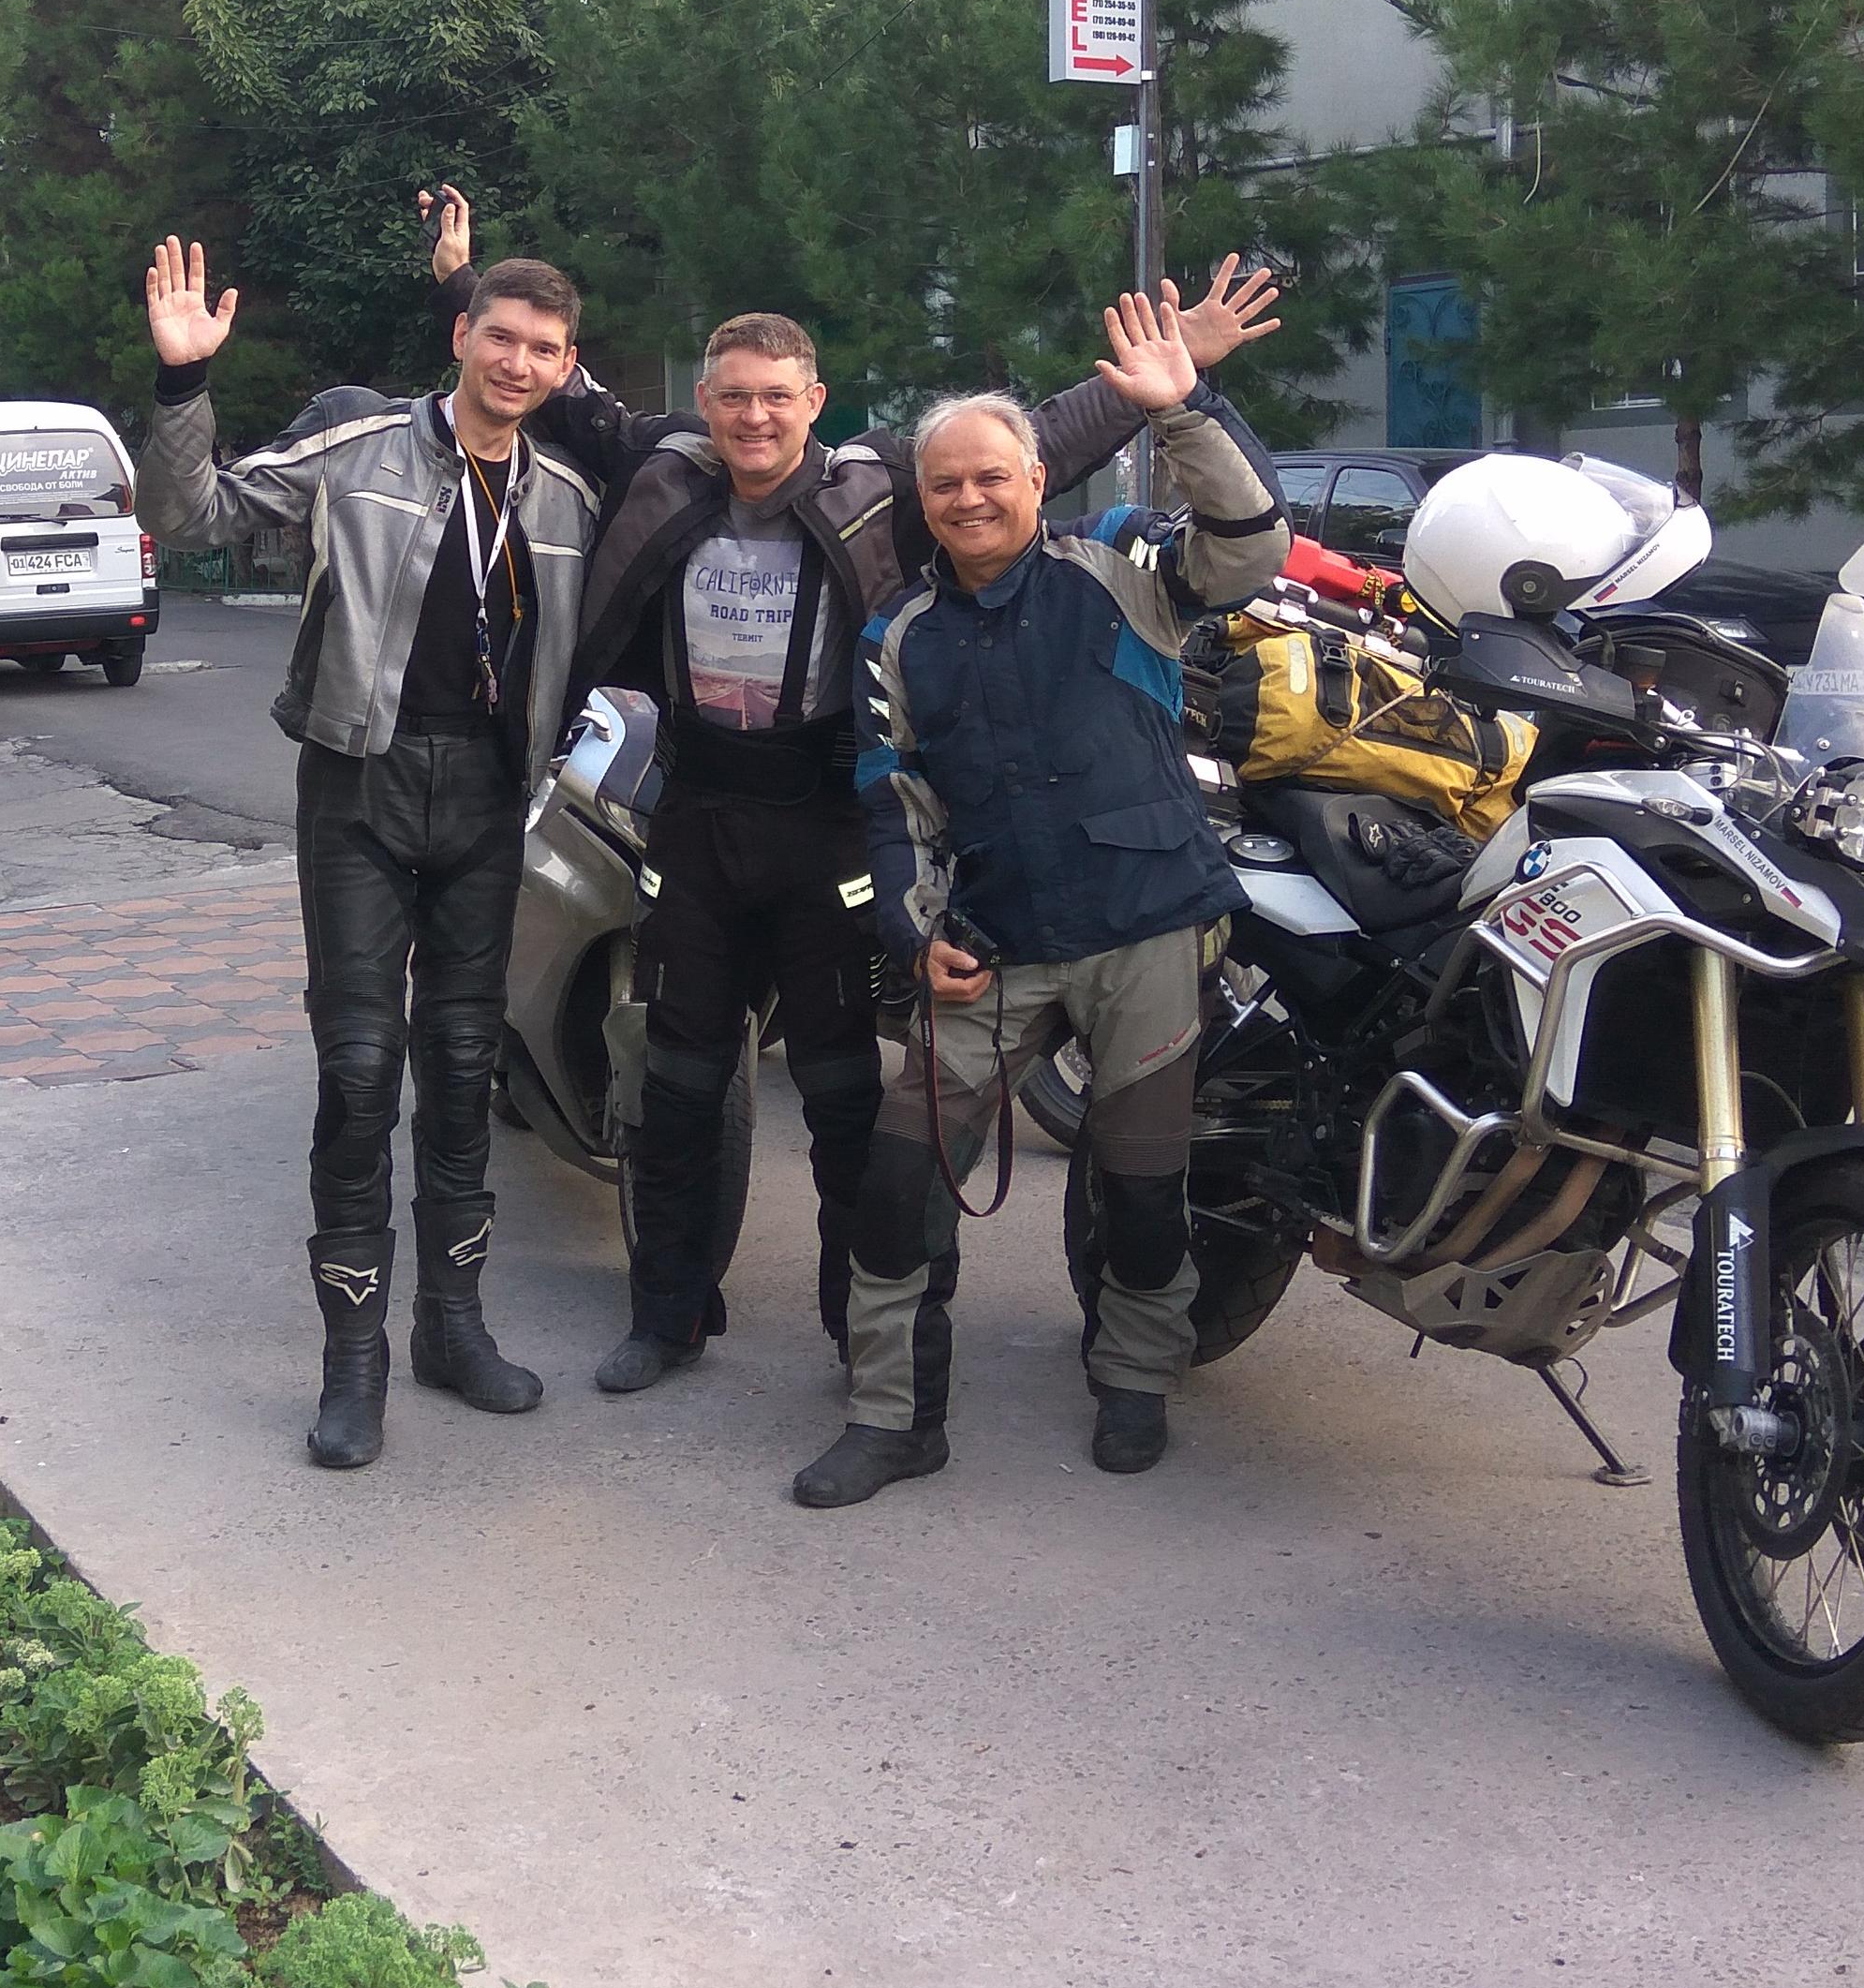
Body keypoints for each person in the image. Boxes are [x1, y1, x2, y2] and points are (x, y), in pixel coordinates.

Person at [409, 202, 1286, 1391]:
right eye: (733, 398)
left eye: (776, 397)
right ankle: (668, 1314)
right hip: (694, 810)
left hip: (823, 819)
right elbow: (541, 386)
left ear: (812, 401)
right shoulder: (660, 464)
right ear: (705, 403)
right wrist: (458, 285)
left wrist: (1159, 384)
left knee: (838, 1093)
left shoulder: (879, 490)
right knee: (676, 1078)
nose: (753, 418)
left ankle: (853, 1330)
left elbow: (1022, 450)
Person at [804, 312, 1293, 1508]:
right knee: (897, 1182)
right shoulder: (897, 637)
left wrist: (1183, 410)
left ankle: (1134, 1379)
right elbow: (892, 808)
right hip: (993, 943)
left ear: (1035, 479)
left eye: (991, 476)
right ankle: (891, 1417)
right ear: (920, 500)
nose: (968, 499)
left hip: (1146, 927)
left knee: (1143, 1184)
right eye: (944, 484)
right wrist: (917, 935)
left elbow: (1248, 549)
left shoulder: (1118, 569)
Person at [132, 234, 599, 1472]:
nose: (518, 363)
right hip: (360, 784)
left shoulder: (567, 496)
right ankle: (354, 1362)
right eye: (500, 337)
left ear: (565, 366)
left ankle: (453, 1327)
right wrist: (183, 384)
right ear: (461, 337)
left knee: (461, 1062)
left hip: (490, 800)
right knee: (356, 1070)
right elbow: (187, 514)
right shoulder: (359, 449)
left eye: (543, 348)